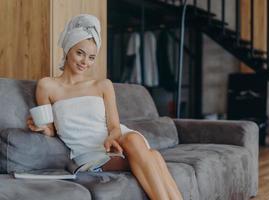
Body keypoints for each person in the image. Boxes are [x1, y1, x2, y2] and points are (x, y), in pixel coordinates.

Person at [26, 14, 183, 200]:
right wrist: (41, 127)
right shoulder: (47, 86)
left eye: (91, 57)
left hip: (114, 145)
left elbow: (115, 127)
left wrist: (111, 138)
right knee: (154, 156)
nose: (85, 62)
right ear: (68, 49)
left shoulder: (103, 85)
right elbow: (51, 129)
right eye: (80, 53)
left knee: (133, 139)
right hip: (88, 155)